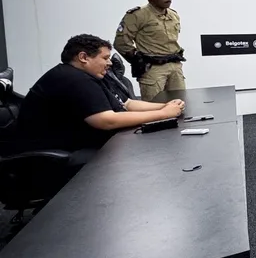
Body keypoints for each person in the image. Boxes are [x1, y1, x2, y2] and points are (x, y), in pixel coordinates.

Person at [13, 34, 185, 167]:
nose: (109, 63)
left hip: (81, 142)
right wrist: (163, 114)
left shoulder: (90, 75)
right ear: (83, 57)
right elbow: (106, 120)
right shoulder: (73, 79)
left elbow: (126, 103)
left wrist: (165, 106)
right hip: (56, 153)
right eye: (105, 58)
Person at [114, 0, 186, 101]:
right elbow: (121, 43)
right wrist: (138, 61)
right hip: (153, 68)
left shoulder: (174, 15)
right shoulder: (138, 15)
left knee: (180, 103)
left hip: (175, 66)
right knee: (154, 105)